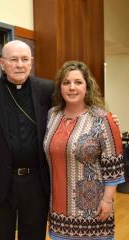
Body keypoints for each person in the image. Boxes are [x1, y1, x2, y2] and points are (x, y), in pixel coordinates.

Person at [43, 60, 125, 240]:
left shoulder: (102, 119)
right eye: (66, 83)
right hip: (59, 211)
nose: (72, 87)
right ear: (60, 88)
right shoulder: (52, 115)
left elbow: (114, 165)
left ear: (87, 87)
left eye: (78, 82)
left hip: (94, 209)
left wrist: (107, 200)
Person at [0, 40, 53, 240]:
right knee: (1, 235)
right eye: (13, 60)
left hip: (36, 181)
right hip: (1, 181)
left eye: (24, 59)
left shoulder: (47, 89)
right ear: (2, 64)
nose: (20, 64)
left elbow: (74, 110)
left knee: (33, 235)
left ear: (31, 62)